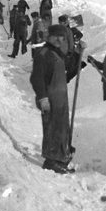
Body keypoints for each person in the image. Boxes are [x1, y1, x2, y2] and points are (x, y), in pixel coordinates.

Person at [30, 24, 84, 173]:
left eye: (62, 37)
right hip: (49, 98)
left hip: (60, 98)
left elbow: (70, 66)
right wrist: (43, 99)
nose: (59, 40)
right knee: (52, 129)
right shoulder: (43, 54)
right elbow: (37, 79)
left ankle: (59, 158)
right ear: (49, 37)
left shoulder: (57, 53)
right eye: (56, 37)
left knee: (61, 128)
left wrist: (79, 53)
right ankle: (50, 161)